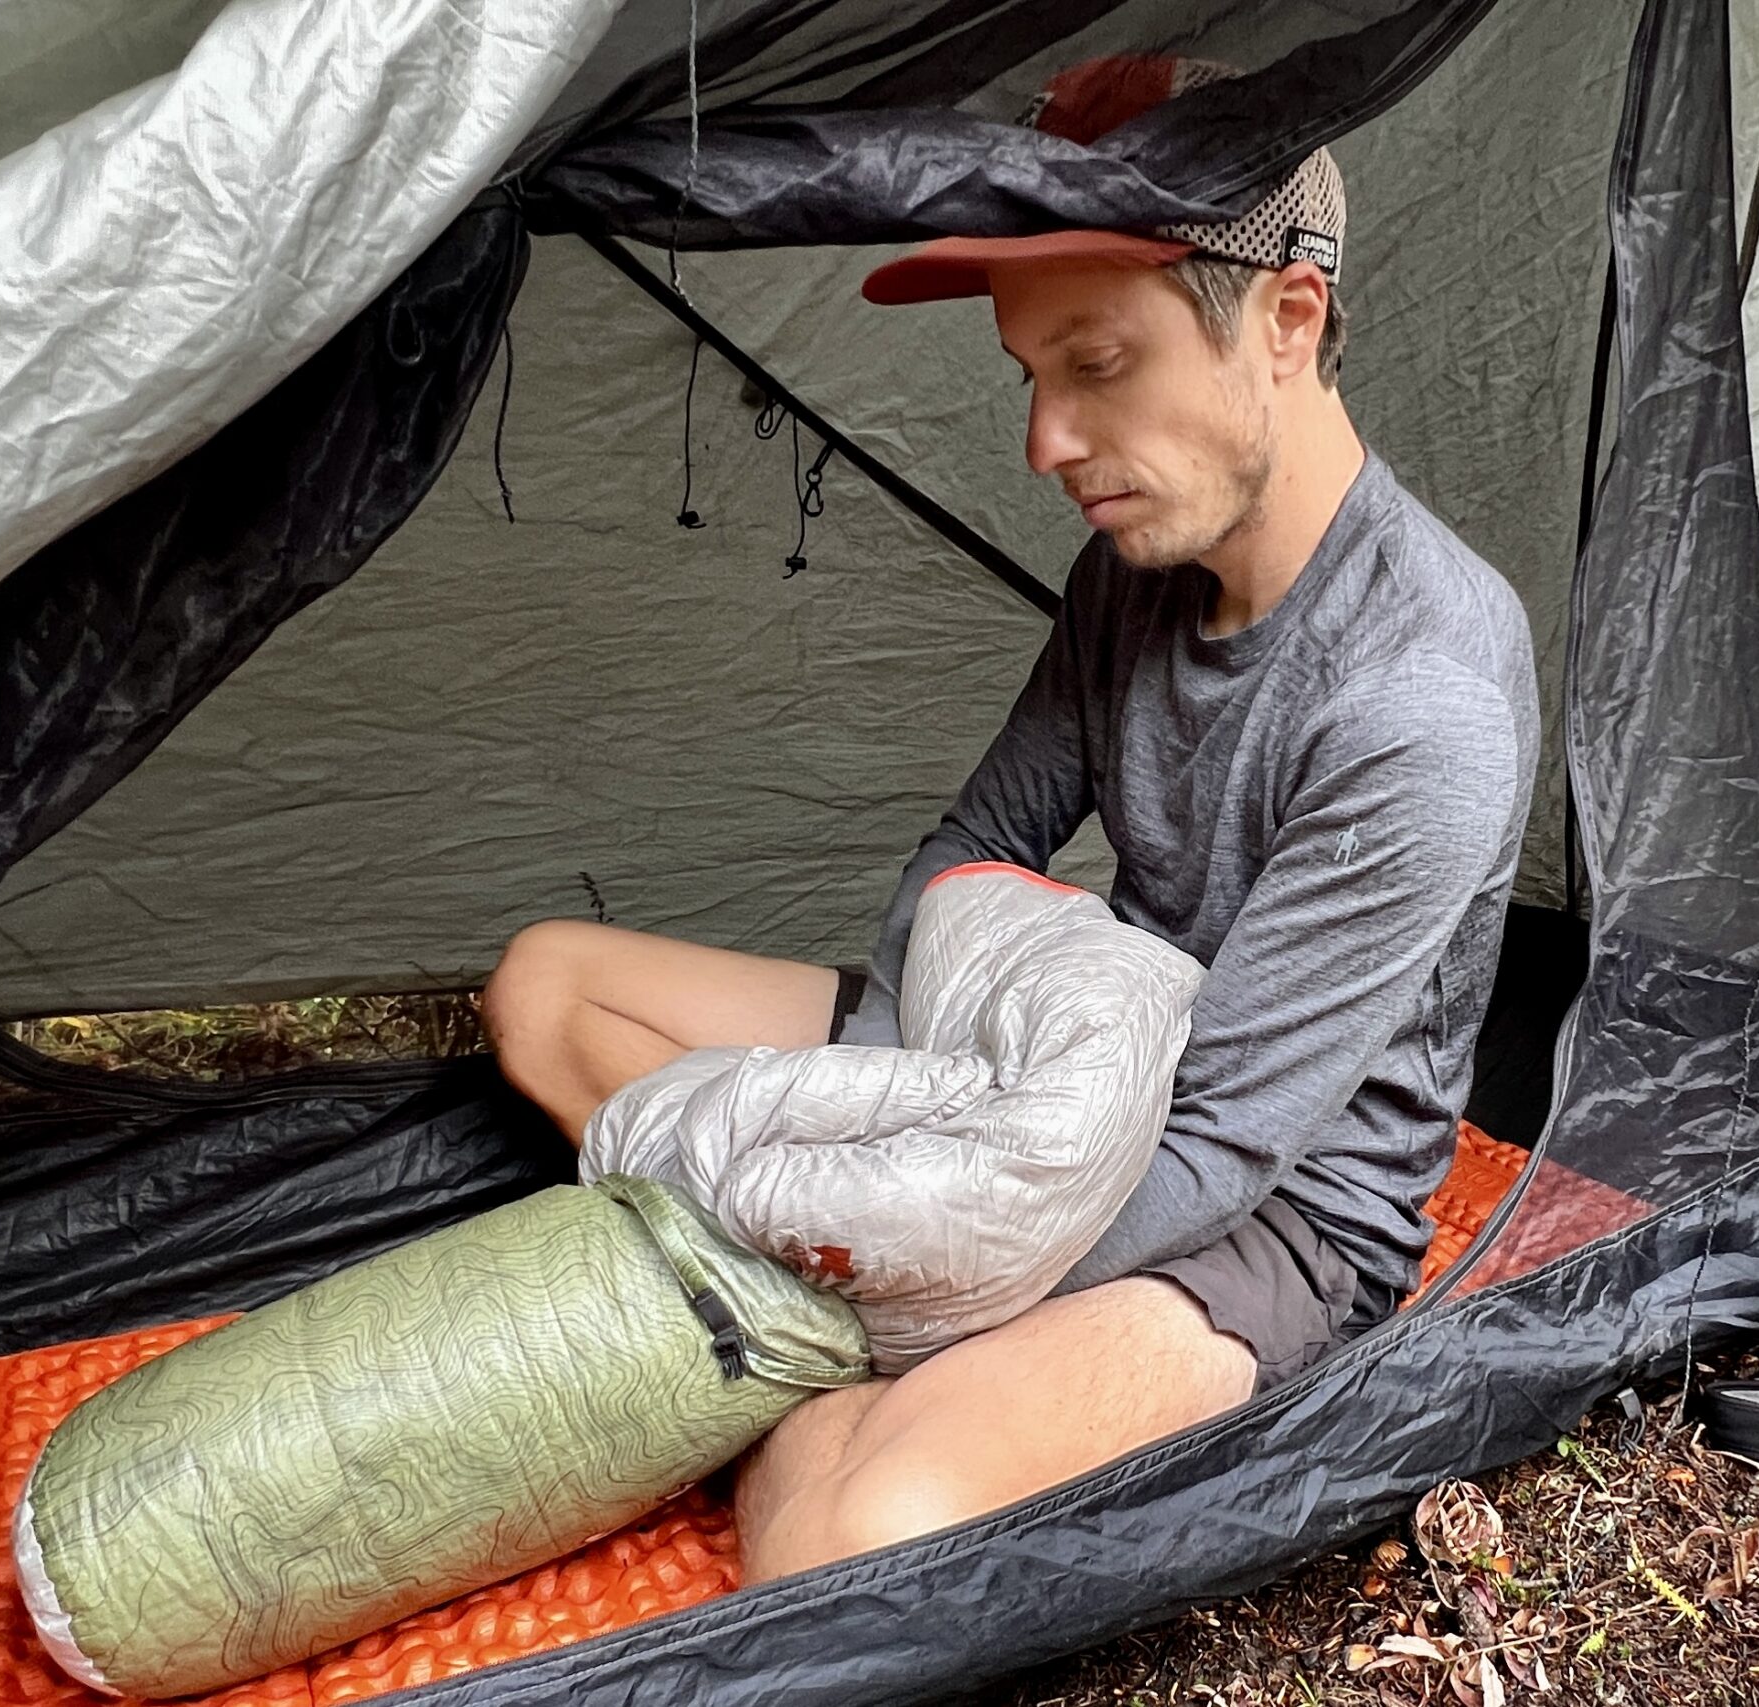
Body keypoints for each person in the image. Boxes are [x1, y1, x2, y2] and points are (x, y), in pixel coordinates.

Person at [479, 56, 1538, 1582]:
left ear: (1288, 324)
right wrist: (906, 1137)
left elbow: (1219, 1149)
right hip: (1028, 1063)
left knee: (846, 1536)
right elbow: (956, 865)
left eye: (1096, 364)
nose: (1045, 440)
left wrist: (891, 1243)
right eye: (1030, 376)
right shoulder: (1131, 575)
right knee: (548, 991)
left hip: (1253, 1212)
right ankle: (808, 1352)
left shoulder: (1421, 696)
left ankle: (788, 1354)